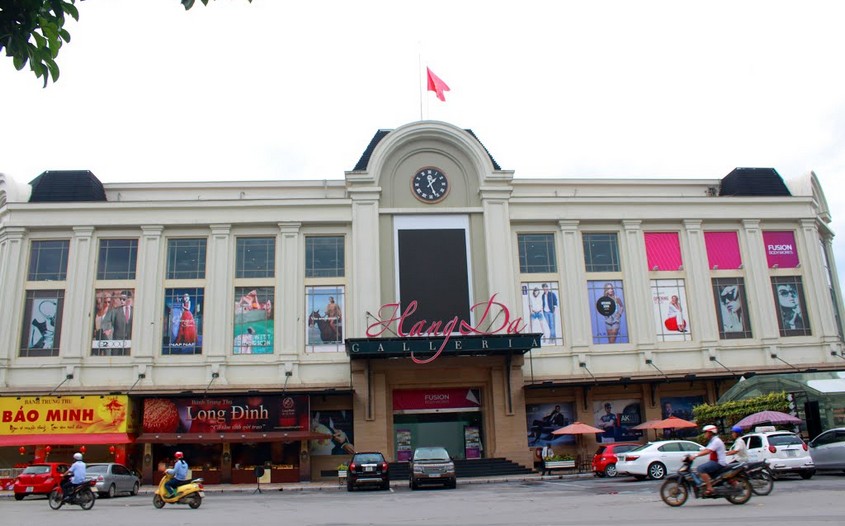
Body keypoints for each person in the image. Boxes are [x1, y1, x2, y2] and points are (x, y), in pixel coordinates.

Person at [693, 424, 727, 495]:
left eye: (706, 432)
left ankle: (709, 487)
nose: (704, 434)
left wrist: (696, 455)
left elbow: (708, 451)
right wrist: (694, 454)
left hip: (718, 462)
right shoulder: (712, 440)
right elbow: (706, 449)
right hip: (715, 461)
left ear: (711, 432)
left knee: (700, 468)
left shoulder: (716, 441)